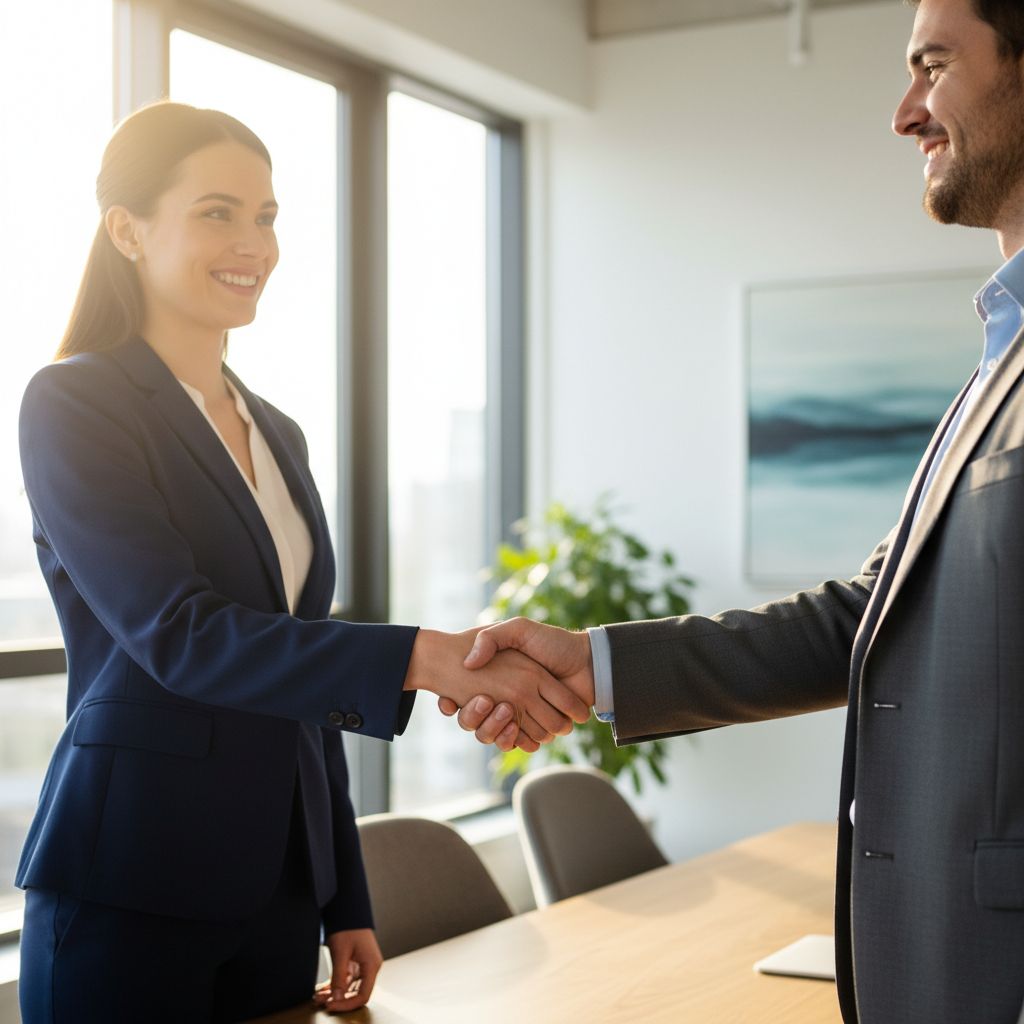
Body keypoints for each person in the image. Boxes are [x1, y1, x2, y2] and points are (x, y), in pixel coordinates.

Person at [446, 0, 1024, 1020]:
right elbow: (868, 615)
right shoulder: (997, 356)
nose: (904, 112)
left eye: (933, 65)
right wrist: (596, 666)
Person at [16, 100, 588, 1024]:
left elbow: (305, 676)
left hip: (279, 891)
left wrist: (344, 894)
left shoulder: (277, 431)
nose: (254, 243)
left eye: (267, 215)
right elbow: (180, 634)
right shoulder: (75, 403)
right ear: (127, 230)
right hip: (132, 879)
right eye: (218, 212)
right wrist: (425, 656)